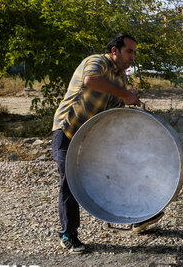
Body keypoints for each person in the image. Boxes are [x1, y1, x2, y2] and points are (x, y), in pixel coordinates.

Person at [52, 33, 160, 253]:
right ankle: (68, 234)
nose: (132, 56)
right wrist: (125, 94)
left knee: (123, 166)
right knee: (69, 179)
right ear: (114, 51)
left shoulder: (121, 78)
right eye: (129, 51)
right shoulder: (97, 62)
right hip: (67, 130)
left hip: (90, 135)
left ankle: (139, 215)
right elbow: (91, 80)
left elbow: (114, 112)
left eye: (134, 52)